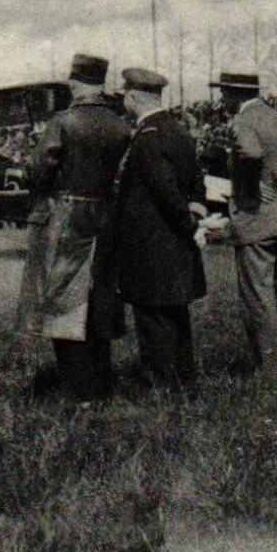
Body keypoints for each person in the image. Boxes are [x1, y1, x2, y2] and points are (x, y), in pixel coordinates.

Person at [14, 54, 132, 403]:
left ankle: (76, 388)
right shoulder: (120, 124)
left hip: (67, 218)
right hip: (106, 217)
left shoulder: (63, 122)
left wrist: (28, 172)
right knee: (99, 301)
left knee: (62, 300)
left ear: (76, 84)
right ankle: (100, 384)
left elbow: (38, 171)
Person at [113, 68, 208, 393]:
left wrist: (188, 224)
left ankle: (161, 388)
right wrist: (194, 217)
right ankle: (184, 380)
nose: (124, 102)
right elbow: (196, 182)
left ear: (135, 98)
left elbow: (164, 192)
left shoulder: (147, 139)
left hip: (151, 246)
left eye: (125, 96)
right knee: (175, 315)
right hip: (175, 244)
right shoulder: (178, 132)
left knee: (152, 317)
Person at [208, 73, 277, 384]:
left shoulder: (242, 122)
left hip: (257, 222)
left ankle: (271, 377)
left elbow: (251, 153)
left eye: (223, 94)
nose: (221, 100)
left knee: (259, 301)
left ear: (234, 94)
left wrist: (252, 190)